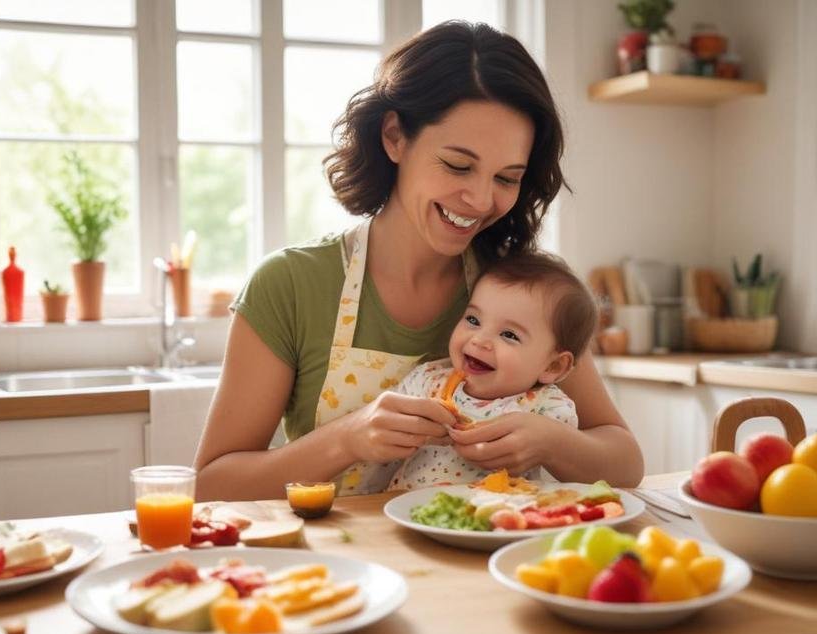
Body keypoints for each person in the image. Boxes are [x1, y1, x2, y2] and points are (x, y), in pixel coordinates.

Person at [195, 21, 643, 501]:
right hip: (340, 569)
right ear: (394, 137)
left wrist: (554, 444)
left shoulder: (522, 293)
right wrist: (347, 438)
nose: (478, 198)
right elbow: (211, 485)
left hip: (481, 570)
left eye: (507, 178)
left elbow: (625, 461)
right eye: (457, 165)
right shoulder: (290, 284)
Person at [387, 251, 593, 489]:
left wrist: (551, 446)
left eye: (509, 335)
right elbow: (386, 442)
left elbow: (578, 474)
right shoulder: (426, 381)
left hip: (496, 518)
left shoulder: (547, 407)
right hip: (405, 512)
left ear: (553, 366)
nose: (479, 340)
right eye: (473, 320)